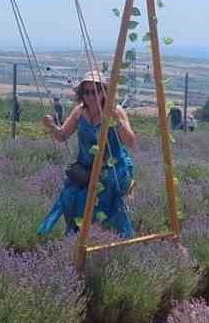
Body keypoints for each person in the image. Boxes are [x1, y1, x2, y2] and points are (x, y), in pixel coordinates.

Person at [37, 71, 137, 238]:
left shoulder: (116, 111)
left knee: (94, 197)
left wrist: (117, 121)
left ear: (103, 92)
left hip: (113, 167)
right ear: (81, 94)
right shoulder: (79, 112)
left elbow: (131, 142)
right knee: (69, 195)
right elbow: (62, 136)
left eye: (95, 91)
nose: (90, 96)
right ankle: (75, 235)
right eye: (86, 92)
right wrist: (52, 126)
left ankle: (104, 236)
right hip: (85, 169)